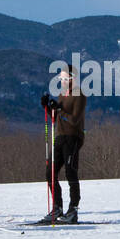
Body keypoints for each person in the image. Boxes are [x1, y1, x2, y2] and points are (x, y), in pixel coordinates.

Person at [39, 65, 86, 223]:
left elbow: (74, 120)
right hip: (60, 136)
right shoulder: (62, 95)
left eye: (65, 78)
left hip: (73, 137)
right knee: (50, 172)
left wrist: (59, 109)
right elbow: (56, 117)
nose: (63, 81)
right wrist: (47, 107)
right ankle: (57, 207)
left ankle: (73, 209)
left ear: (73, 78)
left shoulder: (79, 95)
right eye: (61, 78)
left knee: (70, 172)